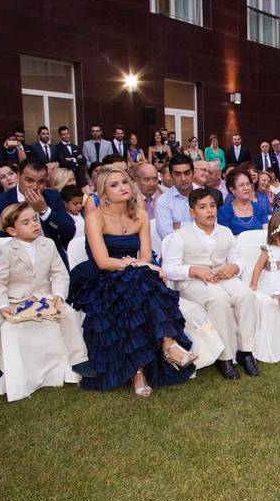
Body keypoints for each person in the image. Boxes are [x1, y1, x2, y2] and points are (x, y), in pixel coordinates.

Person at [68, 166, 197, 396]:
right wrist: (132, 264)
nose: (123, 188)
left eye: (125, 182)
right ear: (103, 193)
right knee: (136, 284)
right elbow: (102, 261)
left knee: (138, 282)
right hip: (101, 276)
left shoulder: (140, 215)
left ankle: (151, 360)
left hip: (131, 273)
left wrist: (139, 265)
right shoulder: (94, 217)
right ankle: (156, 355)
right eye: (114, 185)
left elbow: (145, 256)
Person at [0, 202, 89, 394]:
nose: (35, 224)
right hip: (15, 301)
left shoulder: (48, 244)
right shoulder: (7, 251)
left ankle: (78, 360)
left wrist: (59, 295)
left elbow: (60, 273)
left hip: (43, 299)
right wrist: (2, 305)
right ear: (12, 230)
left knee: (68, 313)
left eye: (35, 219)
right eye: (26, 222)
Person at [163, 188, 260, 380]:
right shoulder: (180, 235)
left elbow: (238, 260)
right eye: (202, 207)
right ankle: (224, 357)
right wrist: (193, 270)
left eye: (213, 206)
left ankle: (245, 351)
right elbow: (169, 269)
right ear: (192, 212)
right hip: (193, 282)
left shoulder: (225, 232)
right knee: (219, 300)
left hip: (224, 277)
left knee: (246, 295)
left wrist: (234, 268)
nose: (209, 211)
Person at [0, 158, 75, 263]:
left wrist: (45, 212)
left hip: (52, 260)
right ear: (19, 176)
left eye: (41, 182)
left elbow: (69, 232)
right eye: (29, 180)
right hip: (16, 262)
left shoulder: (52, 197)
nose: (35, 187)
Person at [217, 169, 270, 236]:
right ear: (232, 189)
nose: (246, 188)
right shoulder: (224, 212)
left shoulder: (258, 208)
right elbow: (224, 238)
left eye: (248, 184)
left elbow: (266, 233)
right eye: (241, 185)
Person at [155, 155, 195, 239]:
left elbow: (211, 227)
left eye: (187, 173)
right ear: (171, 176)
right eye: (178, 174)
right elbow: (167, 236)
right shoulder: (163, 201)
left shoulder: (204, 195)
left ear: (193, 173)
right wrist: (198, 227)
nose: (183, 178)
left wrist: (179, 226)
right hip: (176, 250)